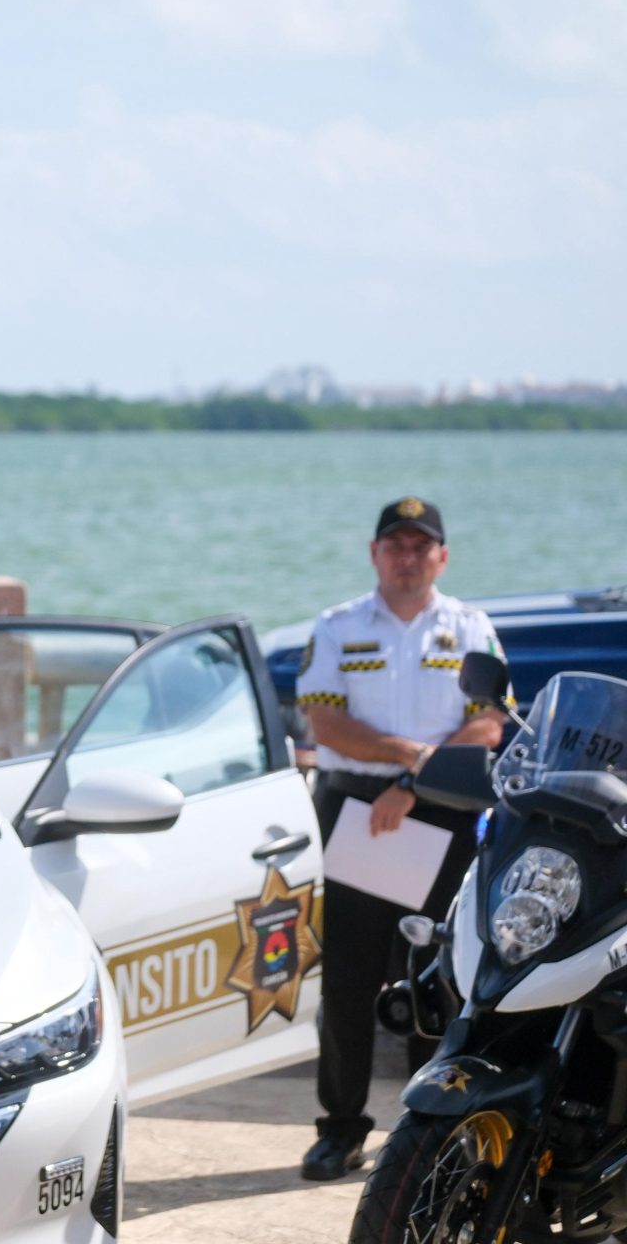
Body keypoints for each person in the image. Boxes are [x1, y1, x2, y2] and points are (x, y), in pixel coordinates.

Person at [295, 496, 506, 1181]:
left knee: (436, 979)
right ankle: (341, 1128)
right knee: (350, 979)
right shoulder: (336, 627)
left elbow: (488, 726)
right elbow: (326, 727)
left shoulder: (472, 628)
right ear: (374, 554)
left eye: (422, 546)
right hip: (357, 813)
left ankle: (426, 1135)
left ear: (442, 556)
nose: (408, 557)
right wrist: (410, 763)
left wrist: (411, 780)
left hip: (440, 812)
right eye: (396, 545)